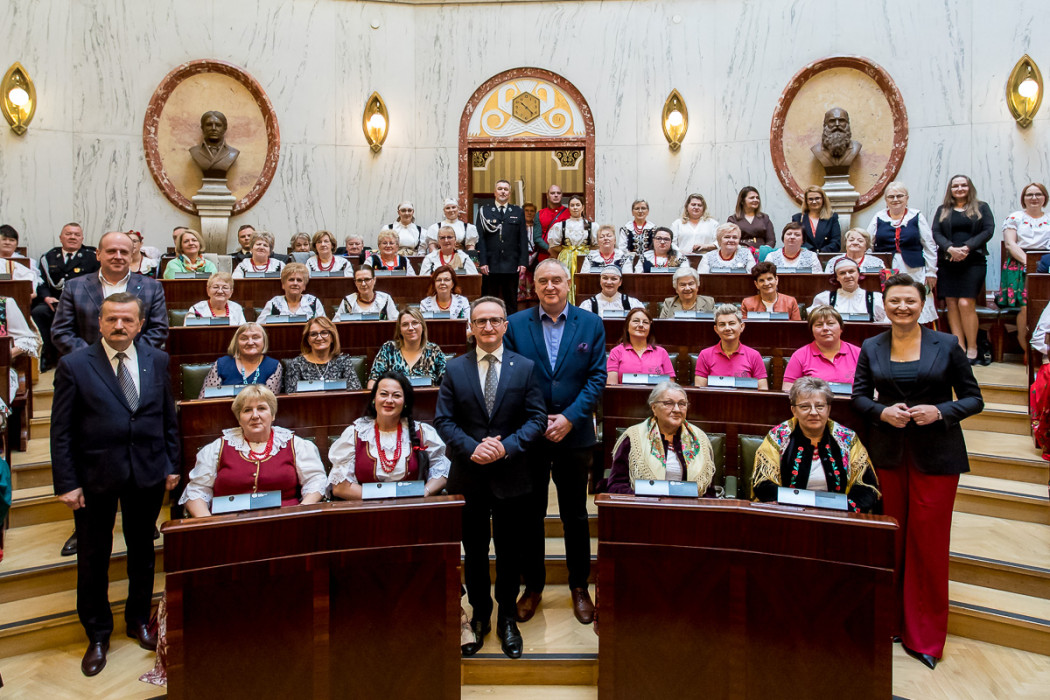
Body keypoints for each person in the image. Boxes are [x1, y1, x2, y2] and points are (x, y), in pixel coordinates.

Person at [852, 274, 983, 669]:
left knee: (927, 543)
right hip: (888, 455)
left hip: (937, 456)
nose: (902, 307)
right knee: (890, 539)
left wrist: (940, 411)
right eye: (895, 301)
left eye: (910, 301)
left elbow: (974, 399)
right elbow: (859, 397)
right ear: (884, 305)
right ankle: (890, 621)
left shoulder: (947, 344)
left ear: (923, 304)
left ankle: (924, 635)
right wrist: (882, 412)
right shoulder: (872, 345)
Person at [50, 293, 180, 677]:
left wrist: (171, 464)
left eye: (127, 320)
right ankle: (97, 633)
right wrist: (68, 482)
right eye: (112, 319)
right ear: (100, 323)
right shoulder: (75, 365)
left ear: (140, 324)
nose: (119, 326)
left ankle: (138, 619)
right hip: (94, 477)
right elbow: (61, 431)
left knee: (142, 551)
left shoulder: (157, 359)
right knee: (93, 556)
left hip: (147, 472)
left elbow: (167, 417)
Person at [434, 296, 548, 659]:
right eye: (480, 321)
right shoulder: (455, 368)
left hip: (512, 474)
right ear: (470, 327)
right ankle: (481, 614)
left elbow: (537, 418)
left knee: (510, 551)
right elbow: (443, 420)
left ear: (505, 326)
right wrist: (473, 448)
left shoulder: (525, 367)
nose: (488, 327)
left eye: (495, 320)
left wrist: (506, 447)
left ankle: (507, 619)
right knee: (475, 551)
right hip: (469, 476)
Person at [504, 258, 606, 626]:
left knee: (575, 515)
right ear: (533, 286)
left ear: (568, 284)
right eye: (543, 280)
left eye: (557, 280)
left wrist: (569, 418)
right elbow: (511, 376)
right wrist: (538, 420)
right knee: (529, 515)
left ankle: (579, 586)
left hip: (574, 434)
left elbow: (596, 378)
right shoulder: (516, 324)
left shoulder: (590, 323)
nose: (550, 286)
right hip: (530, 436)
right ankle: (533, 587)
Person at [180, 385, 326, 515]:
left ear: (273, 415)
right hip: (227, 526)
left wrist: (300, 512)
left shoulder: (296, 445)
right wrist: (208, 524)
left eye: (261, 408)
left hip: (284, 523)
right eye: (247, 410)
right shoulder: (217, 448)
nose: (255, 416)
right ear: (239, 419)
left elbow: (315, 480)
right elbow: (197, 491)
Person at [753, 377, 879, 511]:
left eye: (820, 406)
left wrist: (844, 510)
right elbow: (763, 484)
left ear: (828, 409)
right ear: (794, 410)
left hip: (837, 515)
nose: (813, 412)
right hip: (791, 513)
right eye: (805, 406)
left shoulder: (847, 438)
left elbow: (866, 486)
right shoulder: (778, 436)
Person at [329, 371, 449, 498]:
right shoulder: (356, 433)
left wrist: (425, 491)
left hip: (412, 506)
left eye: (396, 395)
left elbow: (443, 471)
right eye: (383, 394)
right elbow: (340, 486)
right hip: (367, 508)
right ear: (374, 399)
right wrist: (383, 500)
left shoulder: (422, 432)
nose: (389, 400)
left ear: (405, 402)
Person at [52, 231, 169, 357]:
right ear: (98, 254)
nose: (118, 256)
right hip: (87, 363)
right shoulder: (74, 287)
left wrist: (130, 356)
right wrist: (91, 358)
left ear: (131, 256)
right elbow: (61, 332)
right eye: (111, 251)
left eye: (124, 252)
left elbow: (159, 330)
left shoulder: (152, 287)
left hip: (136, 362)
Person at [607, 381, 715, 494]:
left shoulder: (700, 439)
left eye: (682, 404)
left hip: (689, 504)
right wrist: (642, 498)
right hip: (646, 503)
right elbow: (616, 485)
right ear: (654, 408)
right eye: (669, 403)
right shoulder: (634, 437)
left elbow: (709, 491)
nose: (677, 409)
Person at [931, 175, 995, 362]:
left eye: (963, 185)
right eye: (955, 186)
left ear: (970, 187)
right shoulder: (943, 209)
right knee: (951, 303)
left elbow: (988, 230)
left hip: (973, 261)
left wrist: (967, 248)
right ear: (950, 189)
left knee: (965, 303)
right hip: (948, 262)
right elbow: (936, 232)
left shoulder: (981, 207)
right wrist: (950, 248)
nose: (959, 188)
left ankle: (973, 347)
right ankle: (960, 347)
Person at [866, 181, 939, 324]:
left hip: (913, 268)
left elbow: (929, 245)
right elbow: (867, 242)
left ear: (907, 198)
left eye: (899, 196)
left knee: (913, 297)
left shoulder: (916, 216)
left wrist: (931, 271)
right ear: (886, 200)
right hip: (887, 268)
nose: (895, 199)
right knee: (891, 298)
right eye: (891, 197)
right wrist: (871, 265)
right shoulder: (879, 217)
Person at [33, 222, 99, 371]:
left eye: (77, 235)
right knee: (39, 312)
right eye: (68, 234)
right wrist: (47, 298)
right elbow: (40, 282)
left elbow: (97, 282)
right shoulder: (49, 257)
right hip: (54, 302)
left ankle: (82, 356)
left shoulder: (92, 257)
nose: (72, 237)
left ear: (82, 238)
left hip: (82, 302)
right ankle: (45, 356)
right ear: (61, 237)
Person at [998, 183, 1050, 350]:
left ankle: (1042, 350)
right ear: (1023, 199)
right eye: (1029, 195)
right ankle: (1026, 349)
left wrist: (1041, 265)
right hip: (1019, 264)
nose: (1034, 198)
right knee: (1026, 307)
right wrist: (1030, 263)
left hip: (1046, 266)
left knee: (1043, 305)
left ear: (1044, 198)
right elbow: (1010, 244)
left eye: (1038, 194)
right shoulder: (1015, 218)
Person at [782, 305, 861, 392]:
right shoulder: (799, 355)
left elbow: (871, 387)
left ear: (841, 328)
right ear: (812, 330)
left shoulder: (858, 353)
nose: (825, 328)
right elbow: (788, 390)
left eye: (830, 324)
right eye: (819, 325)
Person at [477, 179, 528, 312]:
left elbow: (523, 238)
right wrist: (483, 261)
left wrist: (523, 262)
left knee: (511, 301)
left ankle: (511, 324)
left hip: (511, 264)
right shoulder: (485, 211)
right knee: (489, 300)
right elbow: (481, 239)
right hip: (490, 264)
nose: (503, 192)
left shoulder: (517, 211)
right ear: (495, 192)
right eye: (500, 189)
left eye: (506, 189)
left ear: (509, 193)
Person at [367, 307, 447, 388]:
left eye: (415, 323)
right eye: (405, 324)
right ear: (400, 330)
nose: (410, 328)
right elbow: (373, 379)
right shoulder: (388, 349)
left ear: (422, 326)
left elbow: (447, 381)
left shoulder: (433, 350)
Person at [197, 322, 282, 398]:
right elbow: (205, 399)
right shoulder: (221, 364)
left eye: (255, 337)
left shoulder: (273, 366)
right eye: (244, 338)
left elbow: (270, 402)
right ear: (236, 343)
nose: (250, 342)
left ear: (264, 341)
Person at [694, 303, 768, 388]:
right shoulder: (705, 355)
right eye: (722, 324)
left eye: (731, 323)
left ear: (742, 327)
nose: (727, 328)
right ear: (716, 329)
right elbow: (700, 390)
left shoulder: (754, 355)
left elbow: (763, 390)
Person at [282, 317, 362, 392]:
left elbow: (355, 392)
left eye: (324, 333)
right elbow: (291, 396)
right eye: (313, 334)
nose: (319, 338)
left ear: (332, 337)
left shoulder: (343, 361)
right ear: (308, 340)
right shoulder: (297, 364)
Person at [606, 308, 675, 384]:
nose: (641, 325)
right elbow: (612, 385)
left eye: (645, 322)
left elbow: (670, 385)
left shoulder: (661, 352)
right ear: (627, 326)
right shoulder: (616, 352)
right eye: (636, 321)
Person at [811, 258, 887, 323]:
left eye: (851, 271)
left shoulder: (875, 298)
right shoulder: (825, 298)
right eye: (842, 273)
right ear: (837, 278)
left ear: (858, 274)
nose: (847, 276)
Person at [256, 263, 326, 323]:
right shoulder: (273, 303)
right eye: (291, 280)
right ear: (283, 284)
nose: (295, 283)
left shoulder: (314, 302)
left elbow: (324, 326)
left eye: (299, 280)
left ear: (304, 286)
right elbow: (259, 327)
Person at [578, 265, 644, 316]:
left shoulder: (632, 303)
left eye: (614, 279)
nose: (609, 282)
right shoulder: (588, 305)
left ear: (620, 282)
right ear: (600, 281)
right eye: (605, 278)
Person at [790, 186, 841, 252]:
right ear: (806, 201)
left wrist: (821, 252)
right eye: (810, 199)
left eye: (817, 198)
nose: (814, 202)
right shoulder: (798, 218)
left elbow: (836, 242)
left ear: (823, 199)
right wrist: (812, 253)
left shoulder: (832, 217)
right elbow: (796, 240)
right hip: (805, 255)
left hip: (825, 255)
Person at [536, 184, 570, 260]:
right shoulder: (540, 214)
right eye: (552, 193)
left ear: (562, 195)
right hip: (544, 255)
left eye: (558, 193)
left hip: (565, 255)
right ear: (547, 196)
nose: (556, 195)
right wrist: (550, 249)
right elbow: (537, 238)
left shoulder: (570, 213)